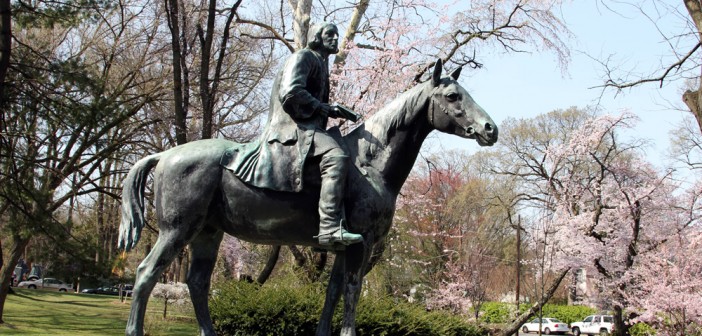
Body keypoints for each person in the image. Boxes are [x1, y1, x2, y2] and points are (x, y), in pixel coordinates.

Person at [225, 22, 362, 247]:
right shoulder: (304, 57)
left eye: (337, 35)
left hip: (307, 128)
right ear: (316, 36)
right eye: (330, 34)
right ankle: (329, 227)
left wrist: (331, 109)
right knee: (336, 157)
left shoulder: (320, 62)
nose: (336, 38)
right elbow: (291, 93)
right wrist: (325, 108)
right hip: (291, 129)